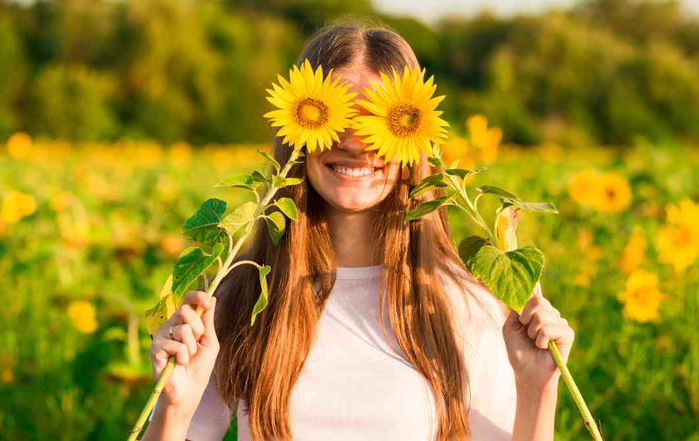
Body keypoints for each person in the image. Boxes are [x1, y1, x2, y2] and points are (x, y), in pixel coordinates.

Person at [141, 20, 575, 441]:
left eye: (377, 120)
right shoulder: (242, 294)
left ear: (413, 134)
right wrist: (173, 407)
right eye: (335, 115)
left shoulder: (466, 306)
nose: (353, 139)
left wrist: (540, 389)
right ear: (297, 129)